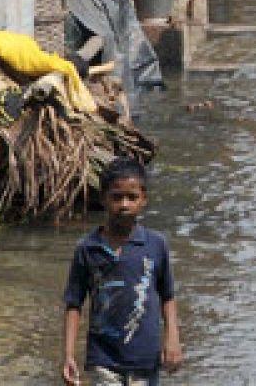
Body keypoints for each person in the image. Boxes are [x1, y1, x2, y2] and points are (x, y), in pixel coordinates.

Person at [61, 158, 182, 386]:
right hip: (103, 358)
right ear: (103, 199)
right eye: (117, 197)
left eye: (132, 197)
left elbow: (168, 296)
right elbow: (73, 304)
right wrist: (68, 355)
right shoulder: (88, 249)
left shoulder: (155, 245)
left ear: (143, 200)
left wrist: (172, 338)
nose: (124, 205)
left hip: (145, 360)